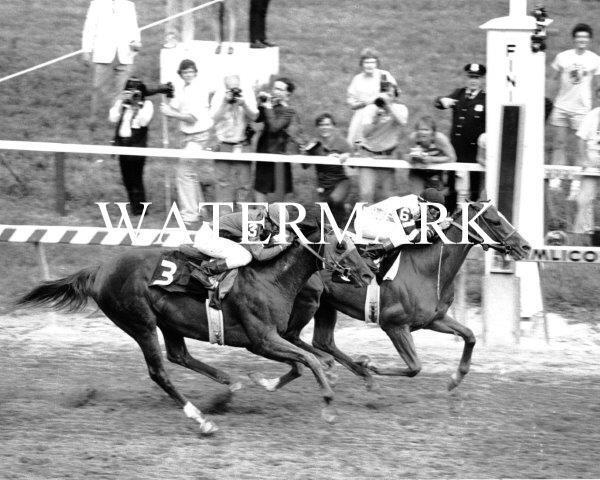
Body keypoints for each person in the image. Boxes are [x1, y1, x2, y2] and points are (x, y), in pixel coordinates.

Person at [161, 59, 216, 227]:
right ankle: (200, 210)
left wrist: (170, 113)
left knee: (184, 172)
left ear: (196, 72)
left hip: (199, 135)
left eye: (191, 72)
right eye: (185, 72)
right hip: (186, 135)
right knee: (189, 173)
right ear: (181, 74)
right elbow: (177, 105)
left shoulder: (198, 90)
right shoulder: (184, 88)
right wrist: (168, 94)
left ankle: (190, 214)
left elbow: (191, 118)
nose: (189, 75)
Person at [548, 23, 600, 198]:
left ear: (589, 40)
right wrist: (550, 99)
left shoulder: (594, 59)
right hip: (562, 106)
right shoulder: (563, 57)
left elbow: (598, 84)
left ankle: (577, 183)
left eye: (585, 37)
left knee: (580, 147)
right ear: (574, 39)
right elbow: (553, 80)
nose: (582, 40)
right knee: (559, 144)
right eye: (579, 37)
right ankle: (556, 179)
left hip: (582, 109)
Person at [190, 203, 291, 289]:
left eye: (278, 227)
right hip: (207, 238)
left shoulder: (261, 219)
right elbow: (259, 255)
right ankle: (204, 271)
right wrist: (282, 246)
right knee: (245, 256)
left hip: (217, 236)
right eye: (274, 225)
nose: (275, 230)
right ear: (266, 217)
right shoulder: (253, 221)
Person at [82, 0, 141, 131]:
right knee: (98, 87)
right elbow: (89, 27)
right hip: (103, 53)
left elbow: (134, 29)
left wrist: (136, 43)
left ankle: (115, 120)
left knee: (122, 90)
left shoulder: (128, 5)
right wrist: (86, 50)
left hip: (125, 55)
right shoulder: (97, 4)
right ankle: (93, 118)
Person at [435, 62, 487, 211]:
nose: (473, 81)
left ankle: (472, 217)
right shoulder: (459, 93)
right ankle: (450, 213)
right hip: (456, 147)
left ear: (481, 80)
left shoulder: (485, 98)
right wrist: (442, 101)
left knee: (474, 186)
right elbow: (439, 102)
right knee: (452, 185)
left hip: (473, 150)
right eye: (470, 77)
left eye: (476, 78)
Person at [355, 188, 448, 258]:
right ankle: (371, 253)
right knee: (405, 234)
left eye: (438, 211)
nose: (434, 214)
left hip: (375, 220)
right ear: (425, 204)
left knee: (407, 231)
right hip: (366, 223)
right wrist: (437, 228)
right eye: (433, 210)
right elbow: (413, 237)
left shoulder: (416, 204)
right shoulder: (409, 207)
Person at [211, 74, 259, 209]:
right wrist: (224, 103)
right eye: (231, 88)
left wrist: (244, 104)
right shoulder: (219, 96)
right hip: (223, 142)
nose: (234, 91)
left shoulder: (246, 94)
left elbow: (255, 116)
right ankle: (224, 215)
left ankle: (245, 214)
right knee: (222, 182)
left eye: (236, 88)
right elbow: (213, 118)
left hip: (242, 143)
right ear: (225, 87)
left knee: (245, 182)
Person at [355, 84, 408, 203]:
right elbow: (366, 134)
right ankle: (364, 221)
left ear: (395, 97)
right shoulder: (370, 109)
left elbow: (402, 122)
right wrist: (375, 118)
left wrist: (388, 106)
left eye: (389, 95)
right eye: (383, 94)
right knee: (366, 194)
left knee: (388, 195)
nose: (386, 97)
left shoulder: (400, 108)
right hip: (367, 153)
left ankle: (388, 220)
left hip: (387, 155)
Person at [109, 78, 154, 215]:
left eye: (135, 91)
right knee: (126, 178)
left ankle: (140, 209)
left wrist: (136, 107)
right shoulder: (121, 103)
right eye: (129, 91)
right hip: (122, 143)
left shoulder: (146, 104)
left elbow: (144, 122)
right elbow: (113, 118)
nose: (132, 94)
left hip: (137, 144)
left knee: (137, 176)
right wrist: (121, 103)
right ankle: (134, 206)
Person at [254, 77, 303, 202]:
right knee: (260, 185)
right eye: (275, 88)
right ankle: (261, 217)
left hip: (280, 151)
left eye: (280, 89)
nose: (275, 91)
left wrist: (268, 107)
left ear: (288, 93)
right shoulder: (270, 105)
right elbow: (256, 118)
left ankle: (279, 217)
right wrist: (260, 103)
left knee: (281, 186)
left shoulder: (289, 111)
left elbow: (275, 127)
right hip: (264, 149)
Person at [303, 113, 352, 224]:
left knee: (334, 200)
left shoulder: (341, 142)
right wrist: (306, 153)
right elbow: (304, 166)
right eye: (321, 125)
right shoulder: (314, 143)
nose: (324, 127)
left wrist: (346, 156)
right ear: (317, 127)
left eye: (327, 124)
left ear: (333, 126)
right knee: (329, 211)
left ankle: (340, 227)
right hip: (323, 184)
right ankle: (343, 214)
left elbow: (354, 162)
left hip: (341, 181)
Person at [346, 48, 398, 147]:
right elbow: (351, 103)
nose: (369, 65)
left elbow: (395, 94)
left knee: (375, 142)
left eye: (372, 62)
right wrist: (365, 103)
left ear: (377, 63)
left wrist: (385, 100)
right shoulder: (357, 79)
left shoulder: (384, 76)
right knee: (355, 142)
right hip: (361, 114)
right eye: (366, 62)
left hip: (381, 114)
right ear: (361, 64)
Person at [573, 86, 600, 236]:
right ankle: (582, 234)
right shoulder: (592, 115)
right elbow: (581, 139)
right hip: (592, 161)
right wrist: (584, 160)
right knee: (583, 199)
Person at [406, 116, 457, 195]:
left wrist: (432, 159)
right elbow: (404, 155)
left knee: (434, 199)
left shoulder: (440, 139)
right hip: (417, 171)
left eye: (426, 130)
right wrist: (412, 159)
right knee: (416, 198)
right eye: (420, 129)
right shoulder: (413, 138)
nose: (422, 132)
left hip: (435, 172)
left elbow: (452, 158)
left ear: (433, 132)